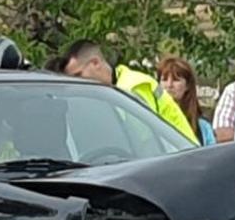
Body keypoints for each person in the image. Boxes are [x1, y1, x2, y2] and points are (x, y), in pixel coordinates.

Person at [61, 40, 198, 144]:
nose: (76, 82)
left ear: (95, 63)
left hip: (182, 160)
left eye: (78, 75)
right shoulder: (117, 86)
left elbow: (144, 141)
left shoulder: (132, 87)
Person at [157, 57, 215, 146]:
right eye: (164, 80)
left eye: (176, 80)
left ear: (187, 85)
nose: (169, 85)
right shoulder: (151, 118)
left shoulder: (202, 126)